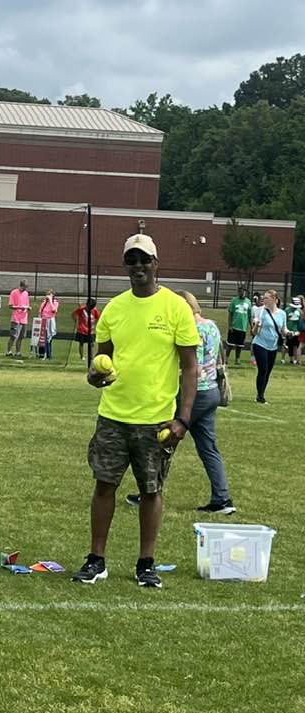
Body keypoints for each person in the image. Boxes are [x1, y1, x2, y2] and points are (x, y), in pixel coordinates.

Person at [72, 234, 199, 589]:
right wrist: (95, 377)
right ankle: (96, 560)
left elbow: (190, 367)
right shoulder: (114, 308)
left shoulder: (175, 307)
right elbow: (102, 361)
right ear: (125, 265)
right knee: (104, 486)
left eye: (144, 259)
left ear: (156, 263)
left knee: (151, 491)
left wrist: (183, 418)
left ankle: (146, 563)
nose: (138, 266)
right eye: (131, 260)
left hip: (156, 420)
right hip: (113, 415)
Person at [126, 291, 235, 515]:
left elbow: (193, 366)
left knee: (164, 441)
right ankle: (222, 498)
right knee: (208, 447)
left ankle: (149, 492)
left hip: (195, 393)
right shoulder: (212, 326)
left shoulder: (192, 329)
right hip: (211, 391)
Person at [250, 288, 286, 403]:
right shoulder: (259, 311)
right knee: (263, 369)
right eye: (263, 298)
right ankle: (260, 396)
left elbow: (283, 329)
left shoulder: (282, 314)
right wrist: (257, 325)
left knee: (268, 371)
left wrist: (289, 333)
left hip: (273, 346)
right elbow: (254, 332)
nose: (264, 300)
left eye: (266, 298)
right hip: (260, 343)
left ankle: (261, 393)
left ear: (274, 299)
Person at [225, 285, 252, 366]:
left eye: (243, 292)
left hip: (242, 327)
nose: (242, 293)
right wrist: (230, 326)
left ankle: (237, 359)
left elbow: (249, 316)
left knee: (239, 345)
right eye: (240, 291)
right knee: (230, 344)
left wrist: (252, 327)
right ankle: (226, 358)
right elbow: (230, 314)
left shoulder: (248, 302)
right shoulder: (234, 301)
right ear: (238, 292)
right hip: (234, 326)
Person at [6, 280, 30, 357]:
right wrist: (20, 307)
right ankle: (9, 351)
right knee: (13, 335)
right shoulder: (14, 292)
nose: (26, 288)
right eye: (25, 287)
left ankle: (18, 352)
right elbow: (10, 306)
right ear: (21, 285)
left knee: (21, 336)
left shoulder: (26, 293)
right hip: (16, 317)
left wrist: (28, 308)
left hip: (24, 318)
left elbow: (27, 304)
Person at [39, 289, 59, 359]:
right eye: (47, 294)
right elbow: (40, 311)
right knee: (43, 337)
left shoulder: (55, 302)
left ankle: (48, 354)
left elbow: (54, 310)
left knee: (49, 338)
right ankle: (41, 353)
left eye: (49, 294)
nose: (48, 296)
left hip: (50, 320)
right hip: (44, 320)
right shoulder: (44, 302)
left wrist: (50, 301)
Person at [284, 296, 302, 364]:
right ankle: (290, 358)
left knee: (295, 345)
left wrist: (299, 330)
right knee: (289, 345)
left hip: (296, 331)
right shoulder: (287, 310)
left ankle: (295, 359)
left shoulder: (299, 311)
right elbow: (285, 320)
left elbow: (300, 322)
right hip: (288, 330)